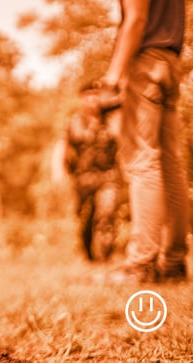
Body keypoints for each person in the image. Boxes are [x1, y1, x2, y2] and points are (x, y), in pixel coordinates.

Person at [96, 0, 190, 283]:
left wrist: (113, 77)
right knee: (171, 164)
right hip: (170, 63)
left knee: (142, 161)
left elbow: (135, 18)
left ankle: (141, 263)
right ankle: (174, 261)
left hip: (146, 64)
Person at [58, 83, 122, 262]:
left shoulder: (112, 120)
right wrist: (60, 170)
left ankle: (106, 256)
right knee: (85, 218)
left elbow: (123, 143)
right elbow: (63, 146)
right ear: (82, 99)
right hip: (83, 179)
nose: (93, 99)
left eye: (96, 95)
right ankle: (89, 255)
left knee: (107, 214)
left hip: (108, 176)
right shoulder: (74, 122)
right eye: (89, 95)